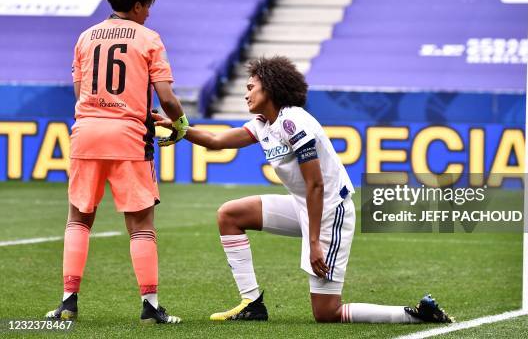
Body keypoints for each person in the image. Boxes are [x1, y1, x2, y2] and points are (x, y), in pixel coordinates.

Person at [154, 56, 453, 324]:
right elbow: (216, 141)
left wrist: (313, 244)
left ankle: (415, 315)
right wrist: (179, 129)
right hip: (304, 206)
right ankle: (252, 303)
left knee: (326, 313)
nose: (245, 93)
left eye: (250, 87)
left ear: (269, 88)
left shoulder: (293, 123)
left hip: (329, 211)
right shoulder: (263, 124)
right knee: (230, 215)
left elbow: (316, 183)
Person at [45, 0, 189, 324]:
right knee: (141, 226)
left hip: (87, 133)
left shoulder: (85, 37)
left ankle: (68, 302)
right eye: (148, 6)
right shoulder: (148, 38)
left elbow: (81, 93)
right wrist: (181, 123)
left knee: (79, 219)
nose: (149, 12)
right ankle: (151, 307)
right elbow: (167, 97)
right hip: (128, 138)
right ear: (139, 6)